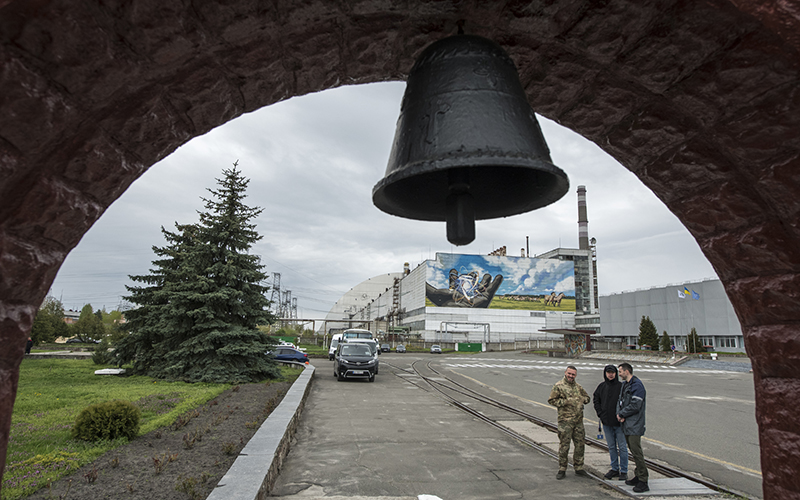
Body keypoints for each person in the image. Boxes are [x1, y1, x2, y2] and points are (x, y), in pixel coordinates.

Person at [548, 365, 591, 479]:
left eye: (573, 374)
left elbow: (587, 398)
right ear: (565, 373)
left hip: (578, 421)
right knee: (564, 446)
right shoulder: (558, 386)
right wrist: (566, 402)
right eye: (569, 374)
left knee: (580, 445)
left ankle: (579, 467)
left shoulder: (578, 387)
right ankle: (562, 468)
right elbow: (552, 400)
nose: (571, 376)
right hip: (565, 421)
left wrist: (582, 400)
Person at [617, 362, 649, 493]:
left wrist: (623, 413)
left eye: (620, 371)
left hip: (635, 425)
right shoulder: (625, 385)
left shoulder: (637, 385)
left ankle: (643, 480)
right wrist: (619, 414)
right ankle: (638, 475)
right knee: (633, 452)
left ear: (626, 371)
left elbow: (636, 404)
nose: (619, 374)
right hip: (626, 424)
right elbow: (620, 401)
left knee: (637, 452)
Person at [593, 365, 628, 481]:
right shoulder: (602, 386)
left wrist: (623, 415)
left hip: (619, 423)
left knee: (622, 447)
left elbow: (626, 401)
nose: (610, 374)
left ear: (616, 373)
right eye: (608, 372)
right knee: (611, 447)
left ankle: (624, 470)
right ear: (605, 373)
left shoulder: (621, 386)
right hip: (606, 422)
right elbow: (596, 399)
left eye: (612, 372)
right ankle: (614, 468)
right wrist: (600, 413)